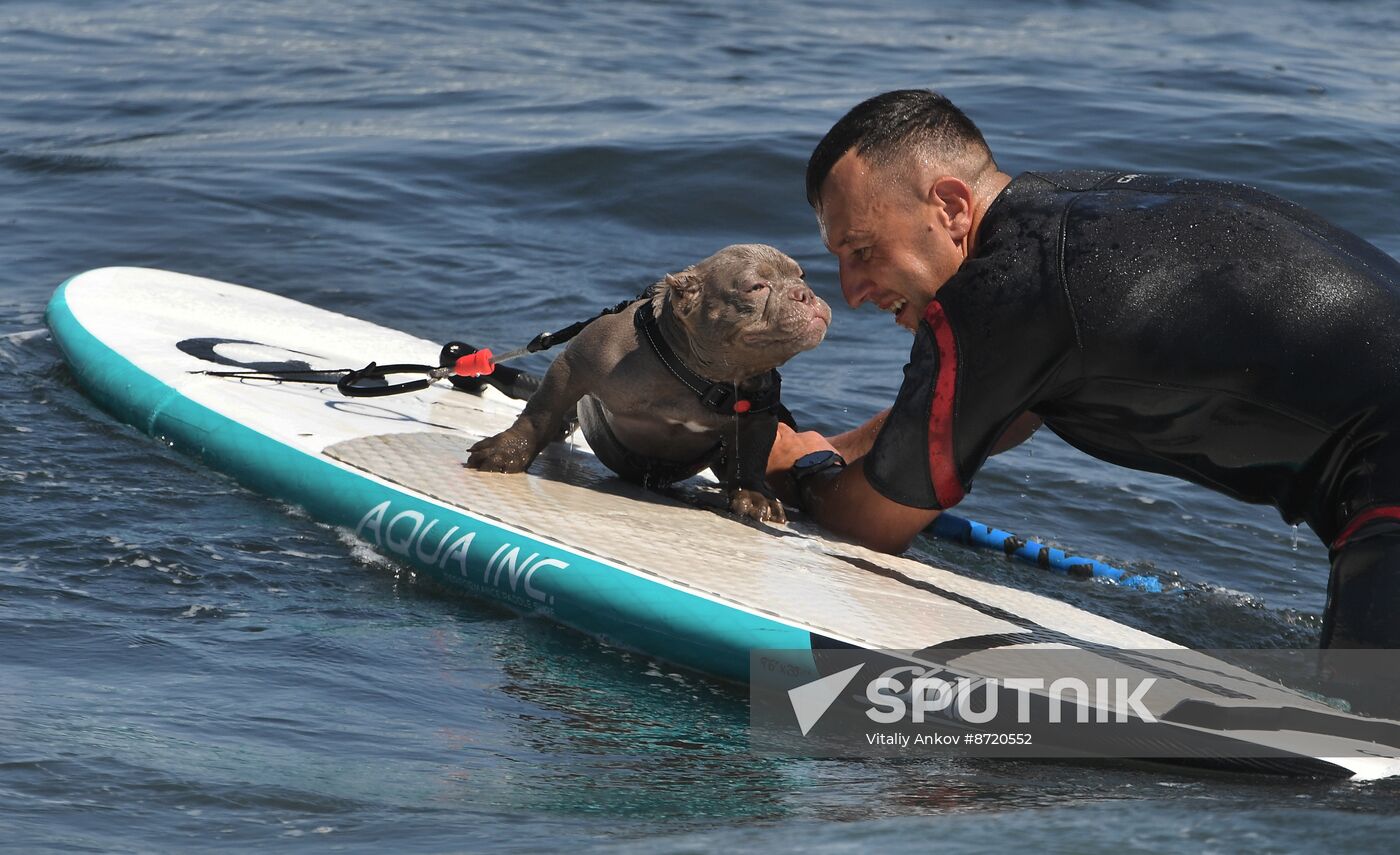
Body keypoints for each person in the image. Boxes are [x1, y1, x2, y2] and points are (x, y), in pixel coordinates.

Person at [768, 89, 1400, 649]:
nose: (850, 290)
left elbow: (873, 522)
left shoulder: (1011, 287)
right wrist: (834, 449)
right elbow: (990, 413)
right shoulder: (1062, 224)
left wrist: (798, 471)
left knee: (1364, 759)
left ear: (952, 208)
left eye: (862, 250)